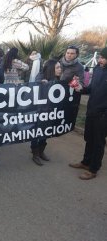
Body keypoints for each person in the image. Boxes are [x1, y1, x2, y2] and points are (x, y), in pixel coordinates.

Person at [69, 47, 107, 180]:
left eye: (103, 58)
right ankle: (86, 162)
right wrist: (81, 88)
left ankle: (93, 169)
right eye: (101, 57)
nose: (100, 60)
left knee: (98, 142)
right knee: (89, 138)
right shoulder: (97, 69)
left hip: (103, 114)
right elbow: (91, 88)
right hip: (91, 110)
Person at [31, 59, 62, 165]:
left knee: (46, 132)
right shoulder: (41, 76)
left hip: (51, 111)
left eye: (60, 67)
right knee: (36, 132)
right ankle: (35, 154)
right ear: (51, 68)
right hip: (40, 111)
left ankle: (41, 152)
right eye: (57, 67)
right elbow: (35, 86)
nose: (60, 69)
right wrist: (40, 83)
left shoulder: (58, 79)